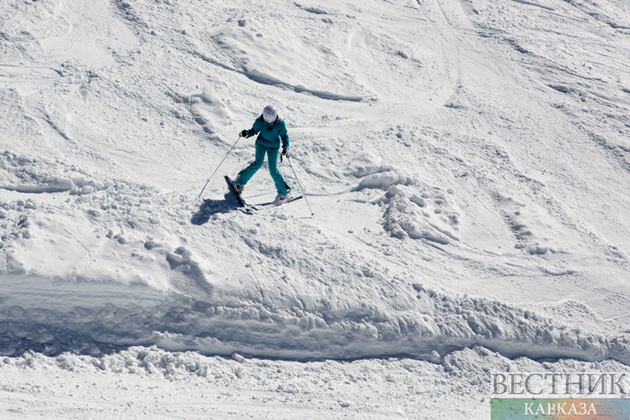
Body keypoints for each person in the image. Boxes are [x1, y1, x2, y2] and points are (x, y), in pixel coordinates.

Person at [234, 105, 291, 204]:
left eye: (270, 122)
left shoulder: (280, 123)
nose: (268, 123)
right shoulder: (259, 121)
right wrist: (247, 134)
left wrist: (286, 147)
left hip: (273, 147)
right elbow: (253, 131)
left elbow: (284, 135)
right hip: (261, 144)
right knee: (257, 163)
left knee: (273, 170)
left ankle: (283, 192)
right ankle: (239, 182)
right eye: (267, 121)